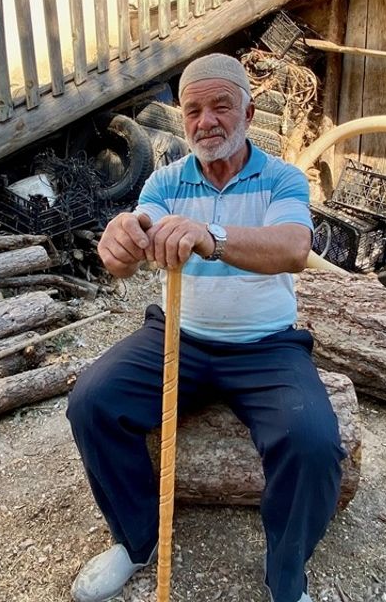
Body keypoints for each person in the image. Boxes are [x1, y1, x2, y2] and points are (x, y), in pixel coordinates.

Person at [66, 53, 346, 602]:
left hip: (266, 346)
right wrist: (120, 241)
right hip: (180, 336)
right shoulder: (166, 180)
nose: (205, 121)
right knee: (91, 403)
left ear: (249, 108)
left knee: (313, 442)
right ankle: (137, 541)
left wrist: (210, 235)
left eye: (221, 105)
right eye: (193, 109)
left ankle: (286, 579)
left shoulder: (282, 178)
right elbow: (135, 241)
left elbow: (293, 247)